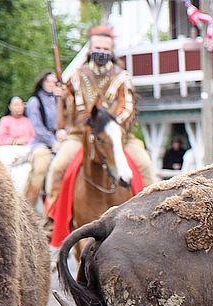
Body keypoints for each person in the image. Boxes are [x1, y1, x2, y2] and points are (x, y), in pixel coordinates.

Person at [45, 26, 155, 213]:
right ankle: (52, 216)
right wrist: (63, 96)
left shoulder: (122, 77)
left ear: (111, 52)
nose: (101, 52)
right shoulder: (77, 76)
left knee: (145, 166)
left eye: (106, 49)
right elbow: (69, 104)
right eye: (98, 48)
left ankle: (151, 211)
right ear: (90, 49)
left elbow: (126, 107)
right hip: (80, 136)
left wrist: (109, 126)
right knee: (57, 167)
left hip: (117, 137)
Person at [24, 70, 66, 209]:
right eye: (48, 81)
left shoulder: (61, 100)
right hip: (42, 142)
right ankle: (28, 207)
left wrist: (65, 132)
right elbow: (38, 128)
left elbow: (70, 120)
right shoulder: (34, 101)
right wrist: (53, 141)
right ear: (42, 82)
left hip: (63, 141)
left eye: (54, 82)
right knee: (41, 168)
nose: (51, 84)